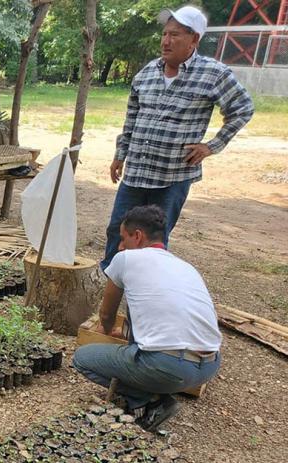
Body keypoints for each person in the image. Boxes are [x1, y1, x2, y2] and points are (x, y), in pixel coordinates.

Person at [101, 5, 254, 270]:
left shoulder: (213, 74)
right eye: (164, 34)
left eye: (175, 35)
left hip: (172, 177)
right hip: (137, 171)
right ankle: (110, 285)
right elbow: (131, 119)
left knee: (154, 241)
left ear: (194, 39)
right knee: (118, 230)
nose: (166, 41)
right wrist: (120, 154)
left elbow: (243, 108)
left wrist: (212, 146)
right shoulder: (147, 73)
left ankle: (146, 291)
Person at [73, 205, 221, 432]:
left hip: (168, 368)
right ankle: (156, 384)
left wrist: (106, 330)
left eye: (123, 239)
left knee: (83, 358)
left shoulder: (126, 258)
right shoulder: (185, 267)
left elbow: (106, 313)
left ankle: (151, 400)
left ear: (138, 236)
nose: (121, 246)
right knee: (148, 355)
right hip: (209, 366)